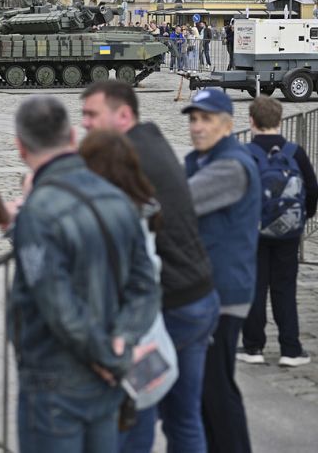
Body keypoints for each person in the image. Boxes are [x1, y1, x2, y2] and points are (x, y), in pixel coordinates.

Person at [3, 95, 158, 453]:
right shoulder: (116, 197)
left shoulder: (38, 212)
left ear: (20, 147)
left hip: (56, 376)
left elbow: (56, 303)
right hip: (106, 372)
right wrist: (122, 339)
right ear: (72, 137)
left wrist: (104, 354)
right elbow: (145, 285)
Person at [81, 81, 218, 453]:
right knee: (183, 417)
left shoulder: (128, 158)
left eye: (92, 115)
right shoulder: (149, 139)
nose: (86, 124)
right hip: (198, 296)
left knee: (136, 413)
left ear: (123, 115)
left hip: (171, 308)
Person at [183, 87, 260, 453]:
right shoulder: (202, 159)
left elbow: (176, 203)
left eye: (206, 119)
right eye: (194, 119)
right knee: (204, 389)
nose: (197, 127)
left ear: (227, 126)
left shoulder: (229, 165)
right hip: (206, 288)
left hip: (222, 293)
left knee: (216, 388)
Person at [238, 96, 317, 367]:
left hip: (254, 231)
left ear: (251, 121)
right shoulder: (295, 152)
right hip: (288, 232)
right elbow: (312, 186)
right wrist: (304, 215)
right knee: (285, 289)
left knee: (256, 288)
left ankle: (253, 347)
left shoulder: (246, 153)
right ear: (280, 121)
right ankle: (290, 349)